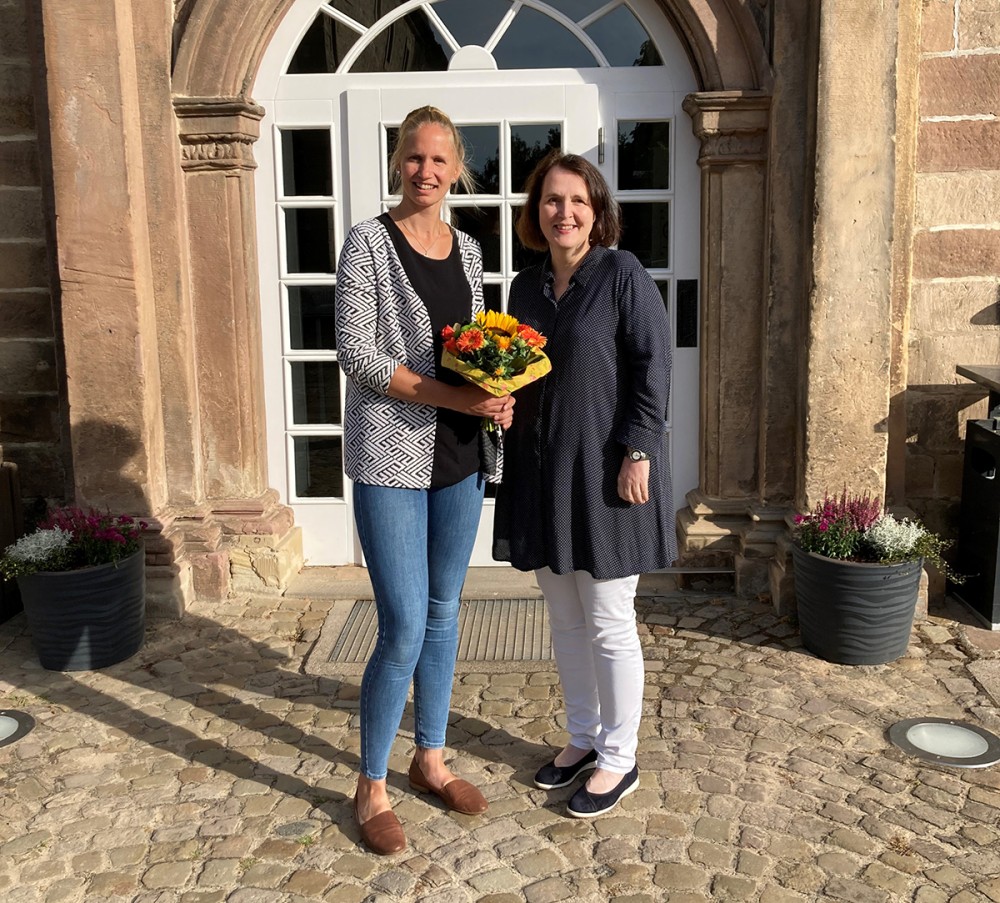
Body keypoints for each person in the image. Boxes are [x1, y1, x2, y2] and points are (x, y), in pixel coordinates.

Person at [335, 105, 514, 855]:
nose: (427, 172)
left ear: (457, 169)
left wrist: (498, 387)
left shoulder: (469, 250)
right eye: (415, 157)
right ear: (397, 161)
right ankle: (369, 784)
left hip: (460, 455)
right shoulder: (367, 243)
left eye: (440, 161)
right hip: (392, 456)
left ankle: (429, 758)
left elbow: (473, 343)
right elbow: (360, 355)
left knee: (445, 611)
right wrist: (455, 396)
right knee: (404, 622)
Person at [493, 151, 675, 818]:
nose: (563, 211)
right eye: (550, 200)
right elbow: (515, 367)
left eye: (576, 200)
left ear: (596, 212)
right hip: (542, 470)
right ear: (535, 213)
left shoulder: (622, 274)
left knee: (607, 620)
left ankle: (620, 759)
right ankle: (583, 738)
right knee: (565, 620)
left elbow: (652, 367)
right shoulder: (524, 286)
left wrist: (640, 451)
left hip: (607, 473)